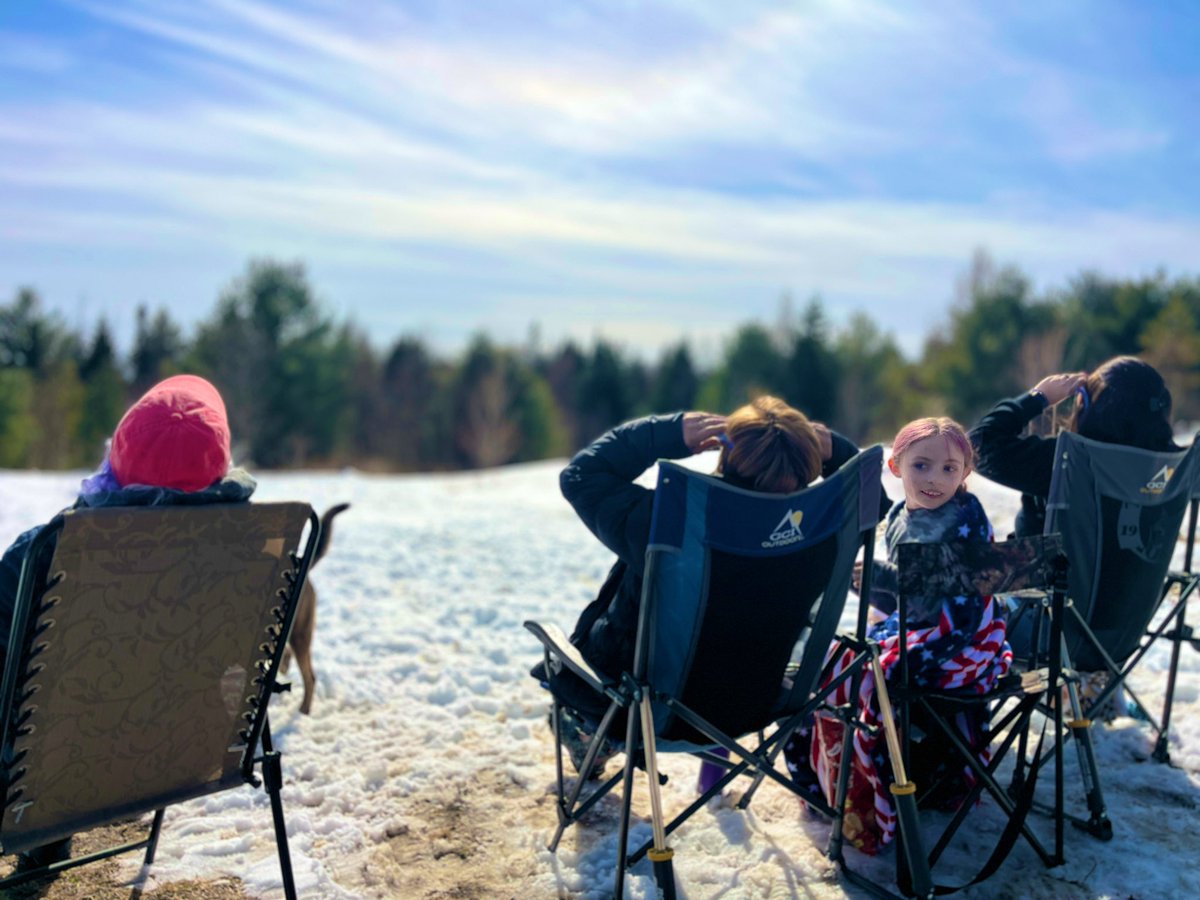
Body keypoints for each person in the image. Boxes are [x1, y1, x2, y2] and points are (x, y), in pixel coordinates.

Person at [533, 396, 878, 784]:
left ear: (726, 457)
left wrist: (667, 432)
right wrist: (837, 449)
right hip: (754, 703)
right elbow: (872, 500)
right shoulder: (827, 531)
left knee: (633, 625)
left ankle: (588, 732)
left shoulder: (673, 521)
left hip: (646, 711)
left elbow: (581, 475)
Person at [0, 373, 253, 871]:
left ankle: (46, 830)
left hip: (39, 778)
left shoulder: (48, 551)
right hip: (172, 760)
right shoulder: (244, 553)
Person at [783, 416, 1010, 855]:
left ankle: (878, 798)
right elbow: (906, 604)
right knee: (828, 661)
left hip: (963, 639)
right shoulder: (898, 515)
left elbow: (951, 586)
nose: (934, 479)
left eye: (949, 469)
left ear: (965, 474)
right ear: (896, 466)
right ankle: (832, 780)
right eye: (921, 465)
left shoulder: (966, 517)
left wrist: (882, 574)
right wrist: (867, 582)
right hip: (915, 627)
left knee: (864, 677)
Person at [969, 355, 1181, 539]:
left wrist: (1039, 397)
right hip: (1136, 586)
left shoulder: (1067, 463)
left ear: (1089, 409)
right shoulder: (1174, 467)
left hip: (1055, 585)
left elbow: (977, 444)